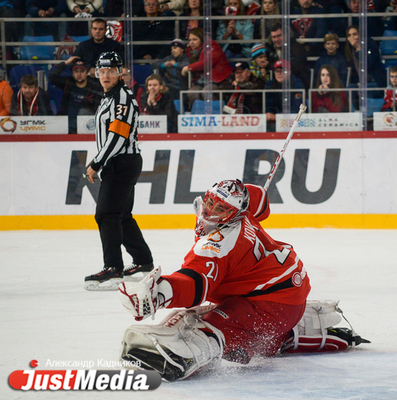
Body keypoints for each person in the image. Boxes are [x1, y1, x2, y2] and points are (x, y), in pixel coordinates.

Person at [117, 179, 368, 381]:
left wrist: (159, 293)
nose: (210, 211)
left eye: (220, 209)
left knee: (196, 325)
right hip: (284, 290)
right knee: (203, 316)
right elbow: (259, 198)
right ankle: (293, 329)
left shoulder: (219, 243)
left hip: (270, 304)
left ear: (233, 215)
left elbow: (196, 283)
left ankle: (184, 356)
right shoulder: (245, 208)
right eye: (210, 202)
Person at [83, 52, 154, 291]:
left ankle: (113, 268)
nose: (105, 75)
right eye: (101, 71)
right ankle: (143, 262)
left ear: (120, 72)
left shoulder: (121, 97)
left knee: (106, 214)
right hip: (121, 161)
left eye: (111, 71)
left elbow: (118, 135)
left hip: (121, 162)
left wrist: (96, 162)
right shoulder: (109, 97)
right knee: (121, 215)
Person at [48, 56, 103, 133]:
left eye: (82, 71)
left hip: (87, 126)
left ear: (87, 73)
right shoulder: (68, 83)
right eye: (76, 71)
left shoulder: (94, 87)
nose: (79, 74)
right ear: (73, 74)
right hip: (67, 125)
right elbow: (52, 76)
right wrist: (66, 63)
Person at [181, 27, 233, 107]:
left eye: (194, 39)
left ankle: (215, 115)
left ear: (202, 39)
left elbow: (206, 62)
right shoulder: (193, 51)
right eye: (190, 40)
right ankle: (197, 115)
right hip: (202, 81)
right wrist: (188, 51)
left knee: (207, 91)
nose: (191, 42)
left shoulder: (213, 47)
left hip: (218, 81)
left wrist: (188, 68)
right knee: (192, 92)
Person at [265, 22, 310, 89]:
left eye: (279, 36)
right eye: (274, 37)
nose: (276, 39)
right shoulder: (271, 49)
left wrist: (270, 65)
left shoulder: (297, 48)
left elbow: (295, 67)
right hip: (279, 84)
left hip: (296, 84)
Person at [265, 59, 305, 131]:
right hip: (276, 120)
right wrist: (269, 112)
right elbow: (269, 104)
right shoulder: (270, 85)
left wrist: (278, 117)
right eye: (277, 71)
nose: (279, 74)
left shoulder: (297, 85)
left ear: (289, 72)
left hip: (294, 122)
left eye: (282, 71)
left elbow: (297, 108)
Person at [344, 25, 387, 90]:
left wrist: (358, 49)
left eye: (354, 34)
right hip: (360, 83)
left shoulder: (370, 44)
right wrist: (358, 84)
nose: (352, 38)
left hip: (375, 80)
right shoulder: (349, 51)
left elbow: (368, 63)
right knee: (350, 88)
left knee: (366, 89)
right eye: (349, 35)